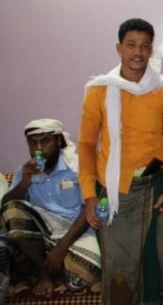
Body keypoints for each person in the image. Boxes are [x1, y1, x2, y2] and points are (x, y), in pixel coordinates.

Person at [78, 18, 163, 304]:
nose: (138, 52)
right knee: (119, 265)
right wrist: (89, 196)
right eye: (131, 45)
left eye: (144, 46)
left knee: (162, 257)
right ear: (119, 48)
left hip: (156, 187)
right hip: (114, 191)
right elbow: (86, 145)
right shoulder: (99, 90)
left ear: (151, 49)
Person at [1, 119, 100, 296]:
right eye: (33, 143)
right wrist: (24, 182)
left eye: (45, 141)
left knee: (80, 280)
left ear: (59, 141)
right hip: (43, 234)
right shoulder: (25, 171)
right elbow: (6, 206)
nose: (39, 148)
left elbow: (89, 209)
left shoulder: (78, 168)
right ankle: (44, 272)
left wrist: (61, 247)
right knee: (12, 210)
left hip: (77, 232)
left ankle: (53, 261)